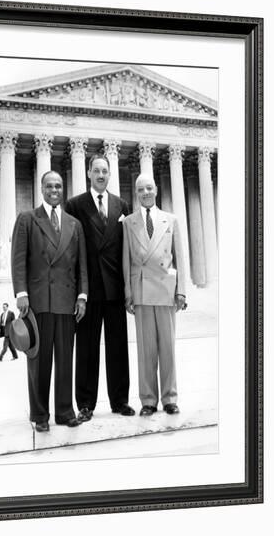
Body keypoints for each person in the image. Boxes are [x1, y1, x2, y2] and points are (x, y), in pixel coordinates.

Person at [11, 170, 88, 432]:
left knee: (66, 360)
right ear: (41, 188)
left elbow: (81, 266)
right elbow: (18, 258)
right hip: (39, 302)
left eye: (58, 186)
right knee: (39, 362)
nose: (54, 190)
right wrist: (21, 293)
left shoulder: (74, 224)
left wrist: (82, 296)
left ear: (62, 189)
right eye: (49, 186)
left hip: (67, 303)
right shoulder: (27, 219)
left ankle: (65, 412)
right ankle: (40, 415)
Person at [65, 153, 134, 422]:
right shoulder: (75, 205)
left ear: (109, 174)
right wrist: (77, 292)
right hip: (88, 289)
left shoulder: (122, 205)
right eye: (96, 170)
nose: (101, 175)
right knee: (86, 349)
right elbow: (71, 251)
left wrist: (129, 288)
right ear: (88, 174)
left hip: (115, 288)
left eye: (105, 170)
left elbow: (127, 249)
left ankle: (120, 401)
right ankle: (85, 404)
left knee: (118, 347)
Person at [122, 174, 187, 416]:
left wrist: (181, 291)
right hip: (141, 290)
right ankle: (148, 400)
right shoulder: (128, 223)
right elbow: (126, 260)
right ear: (136, 193)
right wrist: (128, 293)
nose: (146, 192)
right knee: (145, 349)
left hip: (166, 290)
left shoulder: (171, 220)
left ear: (156, 190)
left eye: (149, 188)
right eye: (141, 190)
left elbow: (180, 256)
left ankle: (170, 397)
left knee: (168, 347)